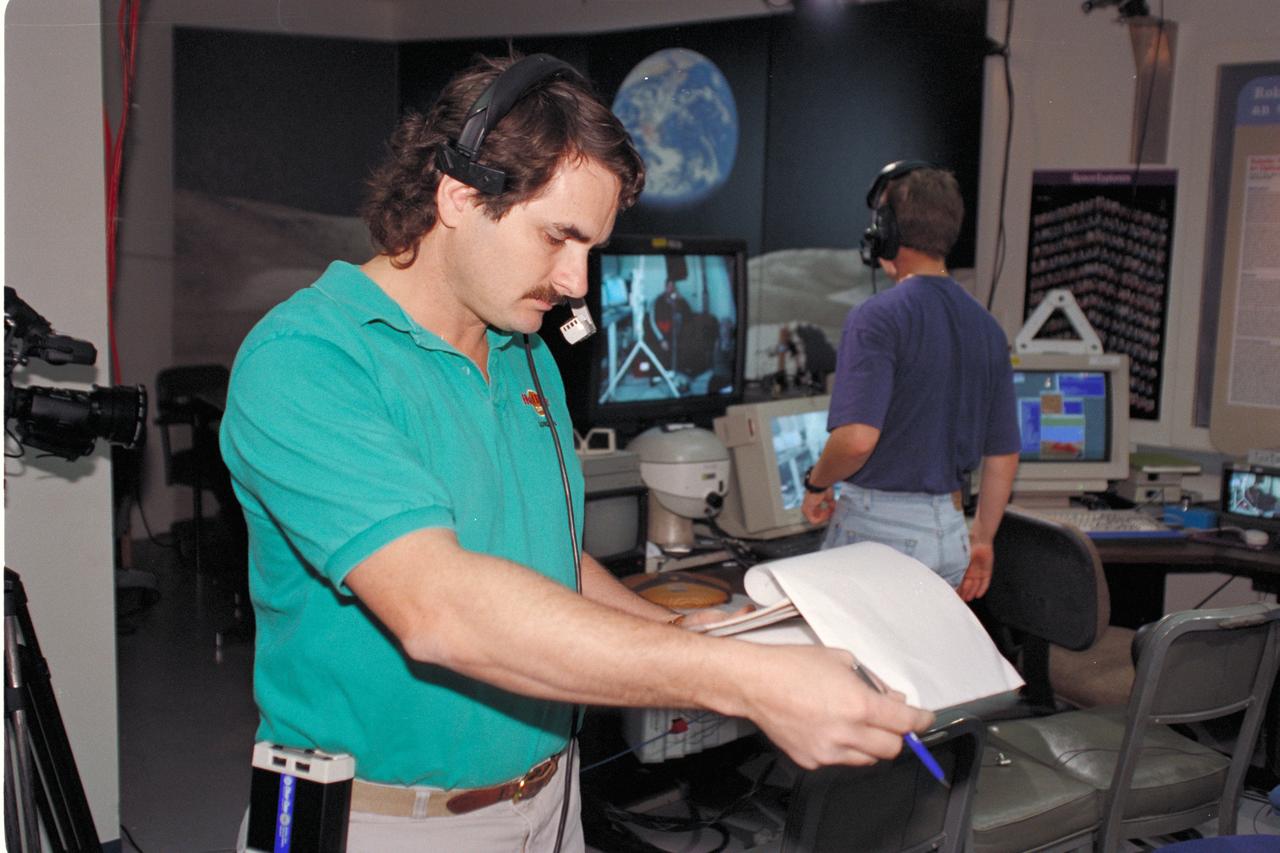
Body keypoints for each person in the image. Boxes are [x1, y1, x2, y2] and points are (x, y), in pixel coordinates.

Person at [220, 55, 933, 852]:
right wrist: (743, 680)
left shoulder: (524, 353)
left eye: (591, 247)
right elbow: (440, 608)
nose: (576, 282)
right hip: (383, 821)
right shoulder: (307, 358)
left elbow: (549, 556)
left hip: (552, 799)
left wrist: (694, 634)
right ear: (457, 196)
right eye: (558, 236)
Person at [801, 162, 1020, 602]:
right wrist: (982, 539)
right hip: (949, 534)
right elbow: (1003, 456)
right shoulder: (988, 329)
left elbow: (857, 440)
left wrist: (817, 484)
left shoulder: (876, 317)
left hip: (880, 533)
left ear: (886, 231)